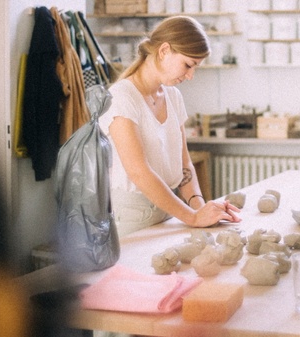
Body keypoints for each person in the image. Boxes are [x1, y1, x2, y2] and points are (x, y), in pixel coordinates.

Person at [99, 15, 241, 239]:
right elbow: (139, 172)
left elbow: (184, 163)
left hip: (169, 213)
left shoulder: (172, 96)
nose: (190, 75)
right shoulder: (121, 97)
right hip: (131, 219)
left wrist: (200, 208)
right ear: (164, 51)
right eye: (188, 65)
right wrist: (193, 217)